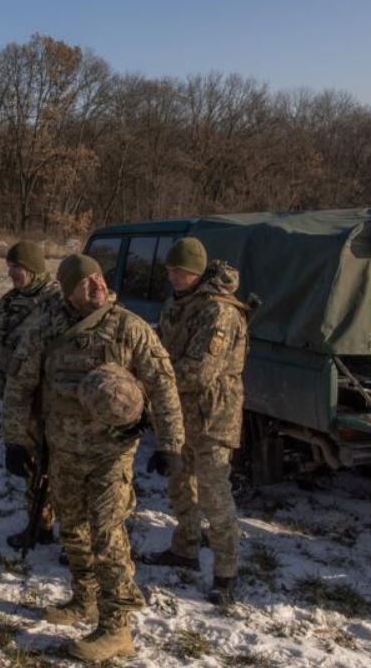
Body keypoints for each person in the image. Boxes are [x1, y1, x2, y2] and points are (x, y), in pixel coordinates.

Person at [2, 253, 185, 662]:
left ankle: (117, 626)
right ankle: (83, 598)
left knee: (107, 533)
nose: (98, 286)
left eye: (100, 278)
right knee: (73, 528)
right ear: (69, 289)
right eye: (87, 282)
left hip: (111, 454)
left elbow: (163, 383)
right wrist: (15, 440)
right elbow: (19, 383)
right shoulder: (45, 326)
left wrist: (171, 443)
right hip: (62, 451)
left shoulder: (127, 327)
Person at [140, 237, 250, 606]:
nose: (172, 276)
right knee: (179, 485)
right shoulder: (179, 302)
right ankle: (184, 549)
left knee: (214, 495)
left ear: (197, 272)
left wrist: (153, 375)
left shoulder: (219, 312)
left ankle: (226, 572)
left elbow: (200, 371)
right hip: (180, 414)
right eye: (169, 269)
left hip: (212, 417)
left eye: (179, 270)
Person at [0, 241, 61, 549]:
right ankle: (39, 523)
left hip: (44, 401)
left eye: (16, 267)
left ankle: (57, 528)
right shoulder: (8, 301)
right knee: (29, 466)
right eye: (10, 267)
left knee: (50, 467)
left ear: (33, 268)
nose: (11, 273)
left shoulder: (55, 301)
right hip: (15, 398)